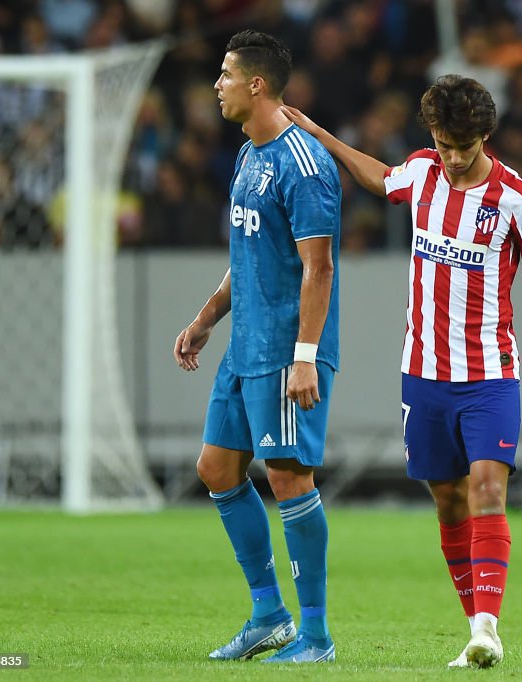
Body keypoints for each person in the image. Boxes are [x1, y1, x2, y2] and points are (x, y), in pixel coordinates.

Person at [282, 74, 522, 669]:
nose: (454, 158)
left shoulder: (518, 201)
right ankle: (474, 625)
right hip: (422, 373)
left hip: (489, 374)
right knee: (448, 501)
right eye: (445, 145)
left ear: (486, 136)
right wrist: (322, 136)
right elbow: (380, 177)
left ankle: (486, 628)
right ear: (433, 135)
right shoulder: (423, 172)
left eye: (465, 147)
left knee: (485, 488)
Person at [172, 30, 340, 665]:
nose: (216, 85)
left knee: (289, 477)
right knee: (216, 469)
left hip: (285, 351)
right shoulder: (249, 156)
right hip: (244, 347)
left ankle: (317, 636)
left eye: (225, 74)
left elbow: (317, 269)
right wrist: (206, 318)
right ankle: (269, 615)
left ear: (256, 84)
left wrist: (304, 354)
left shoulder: (304, 165)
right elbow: (246, 258)